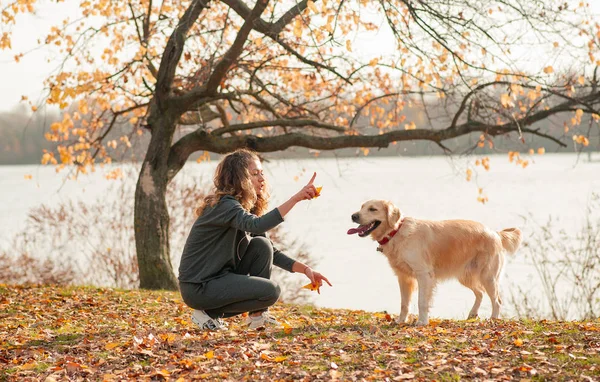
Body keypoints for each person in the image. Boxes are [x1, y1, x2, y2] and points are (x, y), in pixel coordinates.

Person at [178, 148, 332, 330]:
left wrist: (306, 270)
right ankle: (208, 313)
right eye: (255, 174)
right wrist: (296, 198)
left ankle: (257, 318)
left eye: (262, 173)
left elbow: (271, 252)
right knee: (271, 291)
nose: (262, 179)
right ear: (239, 178)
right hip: (199, 287)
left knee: (262, 245)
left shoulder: (242, 207)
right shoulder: (224, 205)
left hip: (219, 279)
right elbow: (257, 225)